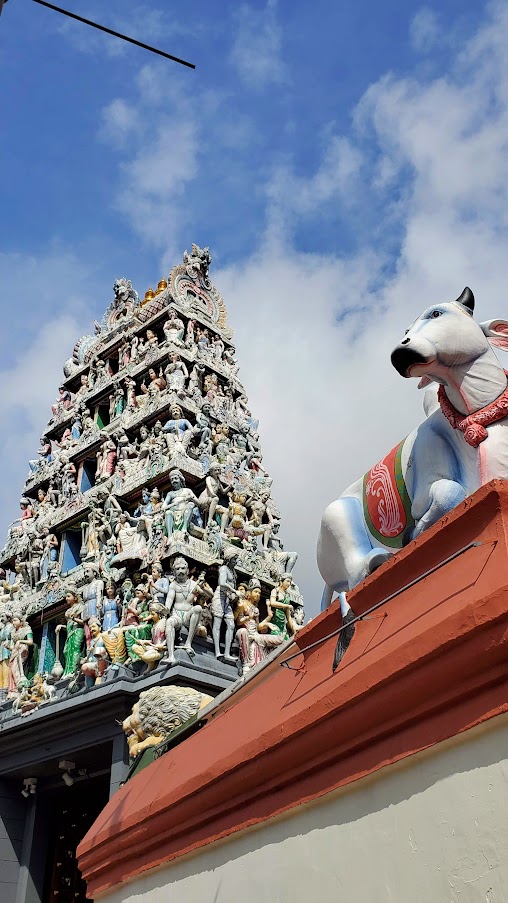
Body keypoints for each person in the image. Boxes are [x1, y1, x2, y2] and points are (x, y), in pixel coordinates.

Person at [163, 557, 210, 664]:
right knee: (170, 622)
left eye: (183, 568)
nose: (180, 571)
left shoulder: (194, 584)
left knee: (198, 608)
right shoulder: (173, 585)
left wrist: (204, 587)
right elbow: (169, 600)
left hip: (188, 615)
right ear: (174, 572)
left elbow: (209, 596)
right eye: (177, 569)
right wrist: (166, 609)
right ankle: (171, 656)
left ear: (187, 570)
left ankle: (188, 643)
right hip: (177, 615)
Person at [211, 547, 239, 662]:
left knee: (231, 625)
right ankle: (218, 651)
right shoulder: (224, 568)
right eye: (234, 559)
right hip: (220, 597)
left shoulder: (233, 571)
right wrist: (235, 591)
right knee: (217, 623)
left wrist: (233, 595)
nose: (235, 562)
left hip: (227, 600)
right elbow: (222, 583)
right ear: (228, 559)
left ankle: (227, 653)